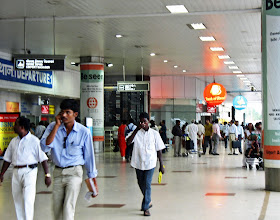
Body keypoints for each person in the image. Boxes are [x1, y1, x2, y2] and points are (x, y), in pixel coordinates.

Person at [40, 99, 98, 220]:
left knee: (68, 208)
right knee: (56, 209)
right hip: (58, 173)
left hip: (74, 173)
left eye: (68, 112)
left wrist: (92, 177)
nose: (64, 115)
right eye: (62, 112)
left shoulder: (84, 132)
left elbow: (89, 156)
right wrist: (56, 126)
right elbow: (44, 147)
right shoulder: (52, 127)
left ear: (75, 114)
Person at [0, 116, 51, 220]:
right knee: (17, 200)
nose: (14, 127)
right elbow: (7, 159)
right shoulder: (14, 141)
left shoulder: (34, 141)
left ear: (22, 127)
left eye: (16, 125)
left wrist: (47, 175)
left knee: (28, 200)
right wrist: (1, 174)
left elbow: (43, 159)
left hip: (30, 172)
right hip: (16, 172)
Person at [126, 112, 165, 217]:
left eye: (145, 121)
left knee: (147, 184)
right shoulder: (136, 132)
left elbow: (159, 150)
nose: (143, 123)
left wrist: (161, 164)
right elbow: (128, 142)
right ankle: (149, 200)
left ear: (149, 122)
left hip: (150, 162)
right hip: (138, 162)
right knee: (140, 183)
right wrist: (136, 130)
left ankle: (146, 207)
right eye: (141, 122)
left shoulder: (154, 134)